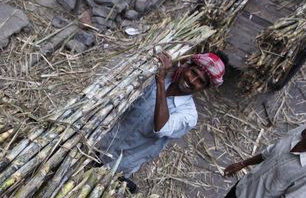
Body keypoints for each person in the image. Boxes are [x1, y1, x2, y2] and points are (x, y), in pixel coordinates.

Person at [93, 51, 227, 190]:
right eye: (193, 72)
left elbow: (160, 128)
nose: (192, 81)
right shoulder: (154, 75)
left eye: (200, 81)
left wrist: (161, 82)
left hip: (119, 162)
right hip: (101, 140)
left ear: (204, 88)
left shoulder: (189, 115)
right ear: (187, 66)